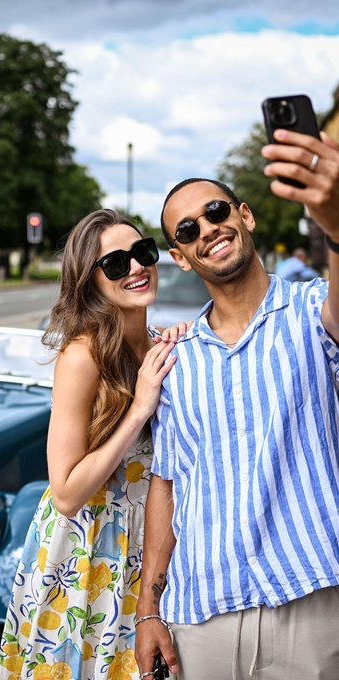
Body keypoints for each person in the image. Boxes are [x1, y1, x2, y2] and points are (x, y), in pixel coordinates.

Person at [135, 128, 339, 680]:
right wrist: (149, 608)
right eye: (187, 229)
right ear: (179, 256)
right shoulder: (176, 361)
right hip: (202, 617)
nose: (208, 229)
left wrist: (334, 220)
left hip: (313, 598)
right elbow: (168, 485)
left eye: (216, 210)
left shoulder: (313, 309)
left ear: (244, 215)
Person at [0, 209, 182, 680]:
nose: (137, 268)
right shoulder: (83, 355)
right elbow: (65, 492)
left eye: (141, 253)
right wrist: (139, 409)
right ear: (90, 282)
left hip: (153, 547)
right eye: (115, 264)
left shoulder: (165, 346)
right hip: (88, 550)